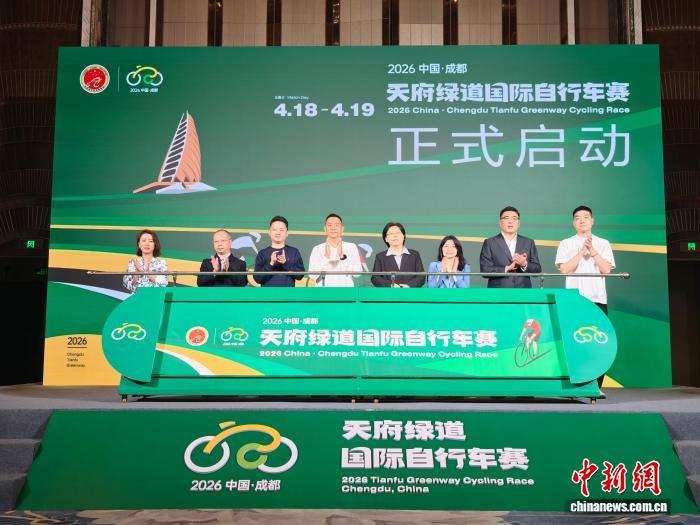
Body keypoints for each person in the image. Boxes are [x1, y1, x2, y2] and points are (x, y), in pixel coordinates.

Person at [555, 206, 615, 314]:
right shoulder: (565, 243)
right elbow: (564, 270)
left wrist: (591, 249)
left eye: (586, 217)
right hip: (573, 298)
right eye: (578, 218)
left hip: (597, 299)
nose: (582, 221)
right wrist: (582, 251)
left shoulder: (603, 243)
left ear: (592, 221)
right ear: (574, 223)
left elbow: (606, 270)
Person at [479, 206, 541, 288]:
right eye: (506, 218)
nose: (510, 221)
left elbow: (537, 270)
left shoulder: (529, 242)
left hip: (523, 292)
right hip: (498, 292)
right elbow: (485, 270)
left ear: (519, 223)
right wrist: (506, 268)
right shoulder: (490, 242)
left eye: (514, 218)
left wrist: (524, 264)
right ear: (500, 223)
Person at [308, 213, 362, 287]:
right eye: (329, 225)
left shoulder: (351, 247)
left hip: (346, 292)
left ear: (342, 229)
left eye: (336, 225)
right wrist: (326, 257)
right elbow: (312, 276)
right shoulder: (317, 249)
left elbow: (357, 273)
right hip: (323, 292)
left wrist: (342, 257)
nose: (333, 228)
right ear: (325, 229)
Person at [254, 216, 305, 287]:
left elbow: (300, 276)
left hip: (288, 293)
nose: (278, 233)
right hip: (267, 293)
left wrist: (286, 263)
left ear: (287, 233)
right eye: (274, 229)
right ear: (269, 232)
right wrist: (271, 264)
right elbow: (257, 279)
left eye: (281, 230)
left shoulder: (294, 252)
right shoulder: (262, 253)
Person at [371, 222, 425, 288]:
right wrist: (390, 285)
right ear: (386, 239)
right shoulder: (380, 257)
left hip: (410, 293)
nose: (395, 236)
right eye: (391, 233)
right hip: (388, 293)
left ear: (403, 236)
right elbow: (375, 278)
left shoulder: (414, 255)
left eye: (398, 233)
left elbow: (421, 276)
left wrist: (409, 286)